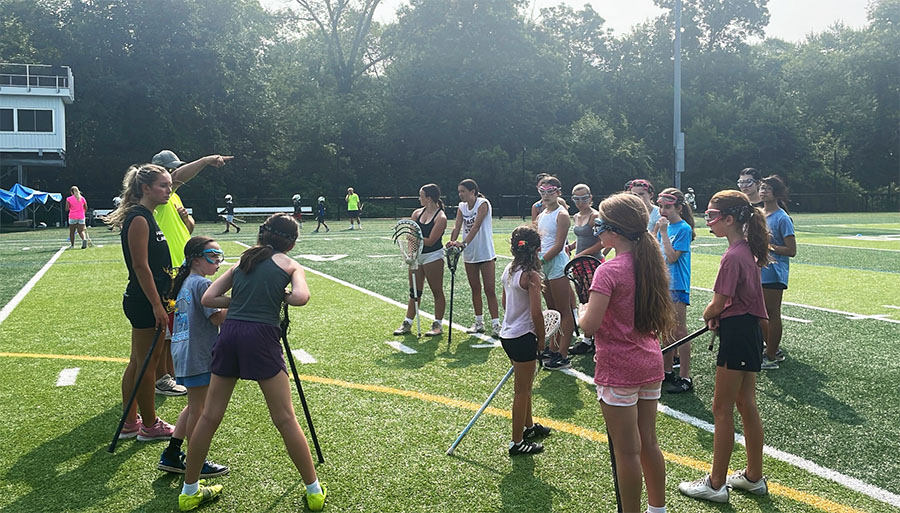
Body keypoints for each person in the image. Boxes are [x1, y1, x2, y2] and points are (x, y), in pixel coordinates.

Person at [180, 214, 326, 511]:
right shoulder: (289, 264)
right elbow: (301, 297)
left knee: (209, 416)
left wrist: (243, 301)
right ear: (292, 242)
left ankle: (188, 491)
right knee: (285, 418)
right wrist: (275, 296)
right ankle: (314, 490)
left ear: (261, 235)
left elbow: (209, 297)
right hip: (260, 338)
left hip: (230, 334)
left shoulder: (244, 260)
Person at [579, 192, 673, 513]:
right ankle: (657, 509)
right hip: (650, 363)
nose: (597, 231)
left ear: (615, 231)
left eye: (600, 225)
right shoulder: (651, 262)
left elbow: (589, 326)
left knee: (627, 451)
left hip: (618, 369)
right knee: (649, 443)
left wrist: (580, 309)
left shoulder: (608, 270)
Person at [679, 190, 770, 504]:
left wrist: (709, 315)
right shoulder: (744, 251)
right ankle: (753, 477)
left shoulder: (733, 256)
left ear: (730, 219)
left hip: (739, 335)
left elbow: (717, 303)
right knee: (745, 404)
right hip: (746, 333)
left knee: (722, 409)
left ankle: (716, 483)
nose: (708, 222)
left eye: (712, 216)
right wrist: (721, 315)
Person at [151, 150, 233, 398]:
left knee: (175, 325)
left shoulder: (173, 199)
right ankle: (161, 377)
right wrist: (206, 161)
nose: (173, 175)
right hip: (169, 270)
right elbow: (177, 176)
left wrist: (188, 221)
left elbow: (184, 228)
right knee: (165, 328)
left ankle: (169, 373)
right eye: (168, 170)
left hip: (181, 268)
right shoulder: (163, 193)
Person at [104, 164, 176, 442]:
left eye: (169, 185)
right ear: (146, 188)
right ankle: (149, 425)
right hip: (146, 302)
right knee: (147, 364)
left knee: (138, 363)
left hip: (152, 300)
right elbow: (140, 267)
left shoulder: (147, 216)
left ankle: (130, 422)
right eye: (163, 186)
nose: (169, 190)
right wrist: (158, 305)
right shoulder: (139, 219)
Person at [158, 236, 230, 479]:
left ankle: (172, 452)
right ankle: (195, 461)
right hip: (198, 354)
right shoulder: (201, 284)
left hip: (185, 353)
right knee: (200, 409)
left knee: (193, 405)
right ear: (197, 259)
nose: (218, 262)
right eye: (214, 256)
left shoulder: (187, 282)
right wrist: (240, 300)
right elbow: (217, 318)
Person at [500, 225, 551, 455]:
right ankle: (517, 442)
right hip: (523, 336)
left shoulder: (509, 270)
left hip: (508, 334)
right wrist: (541, 339)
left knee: (526, 387)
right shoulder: (532, 275)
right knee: (521, 391)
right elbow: (536, 312)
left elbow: (504, 304)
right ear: (537, 249)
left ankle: (528, 426)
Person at [655, 188, 696, 393]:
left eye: (668, 207)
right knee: (666, 331)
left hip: (677, 284)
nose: (663, 211)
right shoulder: (667, 227)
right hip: (664, 284)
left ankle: (685, 377)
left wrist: (662, 232)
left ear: (679, 208)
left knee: (680, 331)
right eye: (661, 206)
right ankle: (667, 370)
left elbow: (672, 257)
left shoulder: (682, 228)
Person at [394, 184, 448, 337]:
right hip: (417, 256)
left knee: (436, 291)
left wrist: (414, 240)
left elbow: (430, 241)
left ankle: (438, 324)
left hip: (433, 256)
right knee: (414, 292)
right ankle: (408, 322)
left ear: (429, 198)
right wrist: (411, 254)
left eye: (421, 195)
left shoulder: (441, 217)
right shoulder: (417, 214)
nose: (419, 198)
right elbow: (411, 237)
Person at [448, 179, 500, 335]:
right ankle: (478, 322)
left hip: (485, 252)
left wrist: (463, 244)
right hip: (470, 255)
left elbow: (476, 226)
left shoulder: (482, 203)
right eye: (459, 191)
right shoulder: (461, 207)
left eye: (463, 191)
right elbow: (457, 226)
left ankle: (496, 324)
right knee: (475, 288)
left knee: (489, 289)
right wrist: (452, 242)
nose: (460, 194)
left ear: (472, 191)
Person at [534, 176, 575, 370]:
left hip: (556, 264)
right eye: (542, 191)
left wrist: (540, 260)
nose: (546, 195)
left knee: (564, 310)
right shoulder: (542, 214)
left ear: (558, 192)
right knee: (552, 309)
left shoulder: (562, 214)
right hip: (544, 265)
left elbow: (559, 245)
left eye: (550, 191)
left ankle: (564, 353)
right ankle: (553, 346)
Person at [759, 175, 796, 370]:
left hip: (773, 272)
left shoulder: (782, 218)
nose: (763, 191)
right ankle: (769, 348)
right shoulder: (759, 214)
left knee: (772, 313)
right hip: (759, 270)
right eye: (762, 187)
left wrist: (768, 246)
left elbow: (791, 250)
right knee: (760, 314)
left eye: (768, 188)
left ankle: (772, 355)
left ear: (777, 193)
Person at [566, 183, 604, 356]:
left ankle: (596, 338)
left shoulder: (595, 215)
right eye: (576, 198)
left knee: (593, 300)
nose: (580, 202)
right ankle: (588, 339)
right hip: (579, 262)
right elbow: (581, 237)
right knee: (583, 298)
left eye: (584, 198)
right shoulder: (576, 216)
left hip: (592, 262)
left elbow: (601, 242)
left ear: (590, 197)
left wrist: (581, 254)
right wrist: (572, 247)